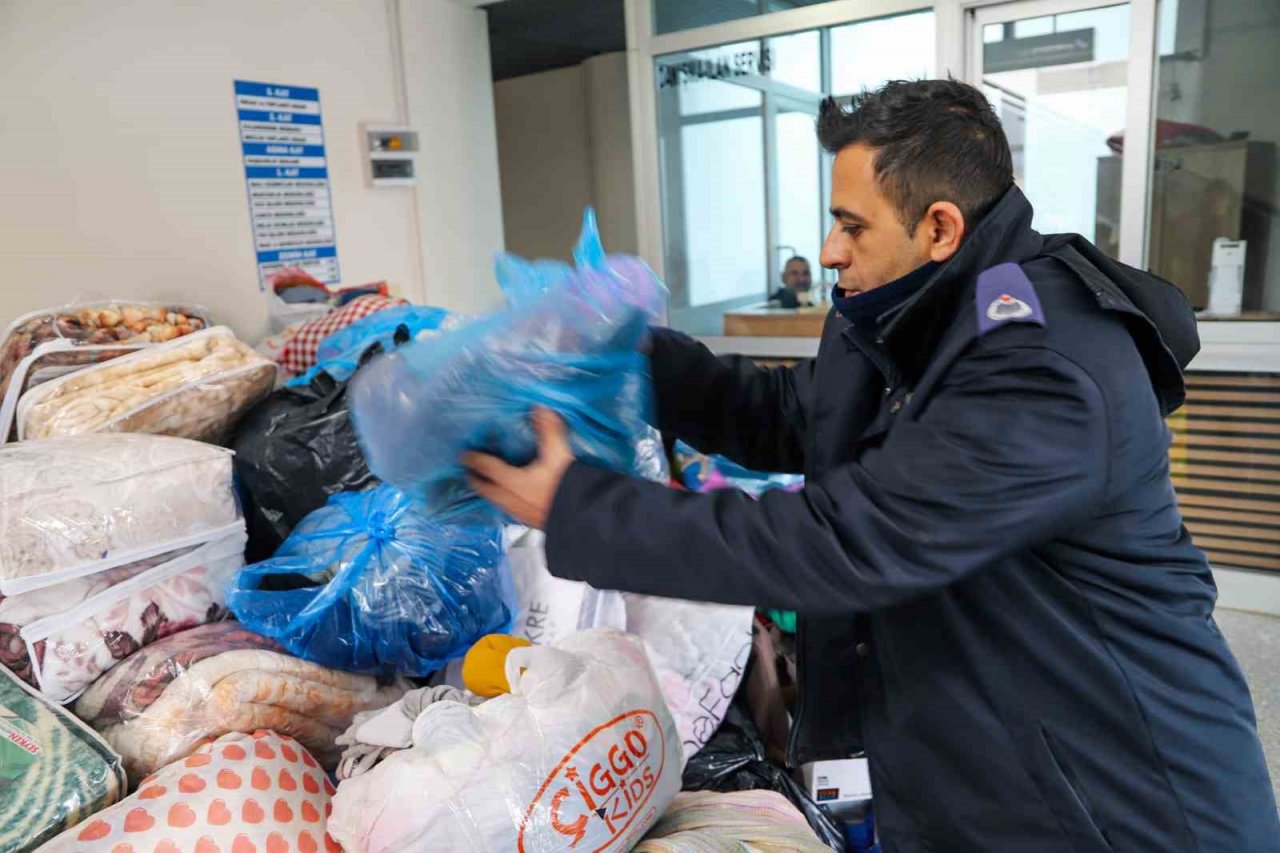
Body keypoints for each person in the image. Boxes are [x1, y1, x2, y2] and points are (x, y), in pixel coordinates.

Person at [464, 80, 1280, 851]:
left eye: (851, 225)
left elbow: (847, 542)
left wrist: (581, 508)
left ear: (939, 227)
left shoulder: (1044, 363)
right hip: (987, 771)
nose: (827, 251)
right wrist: (631, 357)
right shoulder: (911, 322)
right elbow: (790, 416)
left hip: (1118, 801)